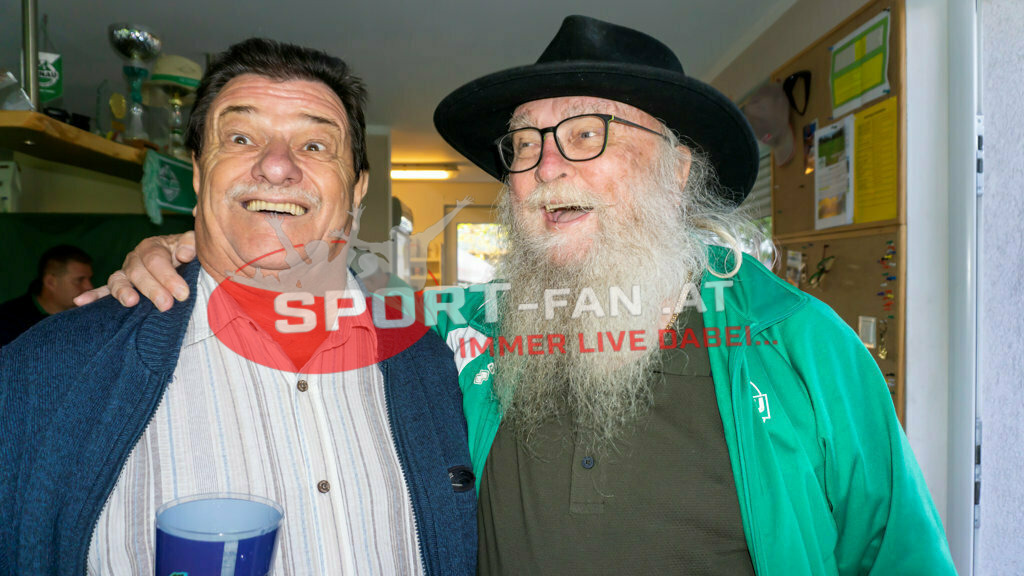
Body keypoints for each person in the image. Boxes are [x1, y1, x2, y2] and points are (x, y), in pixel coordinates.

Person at [86, 16, 956, 575]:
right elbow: (304, 306)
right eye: (527, 143)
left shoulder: (804, 347)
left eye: (586, 134)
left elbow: (902, 558)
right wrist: (194, 252)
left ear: (680, 167)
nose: (546, 167)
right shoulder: (464, 336)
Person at [0, 38, 475, 576]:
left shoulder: (431, 366)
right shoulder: (47, 373)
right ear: (200, 174)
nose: (276, 166)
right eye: (242, 137)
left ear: (358, 188)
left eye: (316, 146)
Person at [0, 244, 93, 347]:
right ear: (51, 282)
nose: (89, 287)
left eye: (89, 280)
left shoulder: (87, 317)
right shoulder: (8, 320)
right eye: (79, 280)